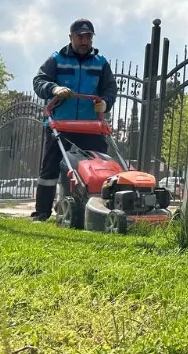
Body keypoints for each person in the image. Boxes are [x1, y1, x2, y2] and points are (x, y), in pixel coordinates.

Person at [30, 18, 117, 222]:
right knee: (51, 167)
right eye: (80, 37)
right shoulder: (57, 59)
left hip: (91, 126)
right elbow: (39, 81)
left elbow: (110, 88)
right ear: (71, 37)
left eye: (88, 37)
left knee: (99, 166)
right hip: (61, 123)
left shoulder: (100, 62)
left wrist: (105, 102)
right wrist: (54, 89)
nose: (84, 41)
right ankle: (42, 212)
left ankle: (97, 208)